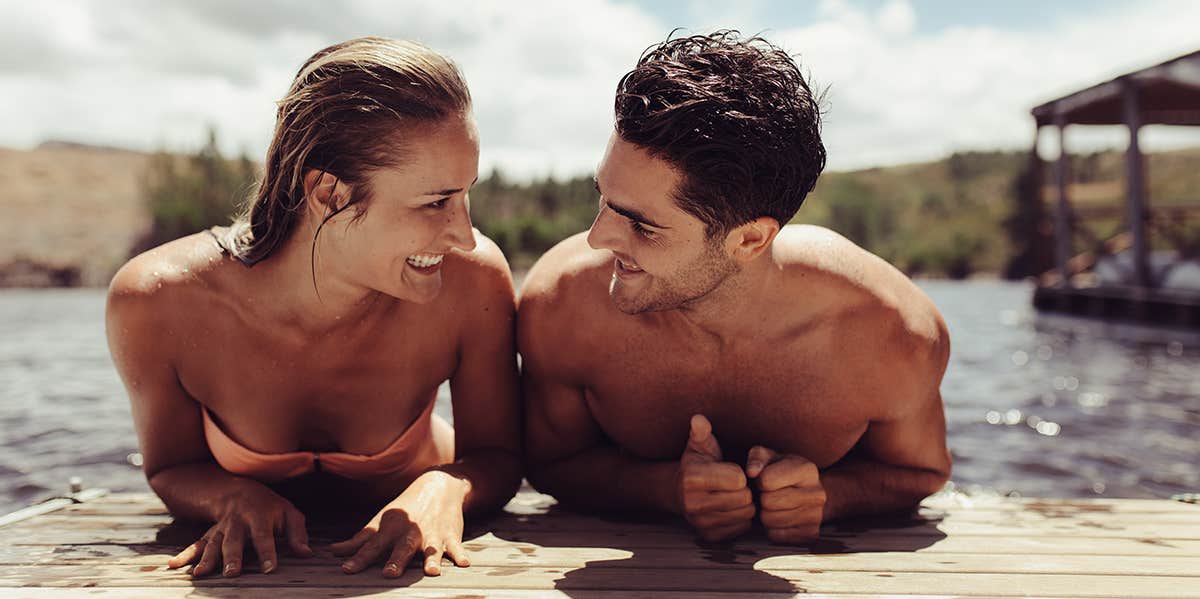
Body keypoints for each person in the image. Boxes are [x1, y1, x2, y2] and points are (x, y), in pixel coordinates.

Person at [106, 37, 521, 578]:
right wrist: (228, 497)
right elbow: (171, 466)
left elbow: (497, 458)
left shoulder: (470, 284)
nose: (465, 236)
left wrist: (444, 486)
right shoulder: (159, 303)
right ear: (328, 192)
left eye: (466, 195)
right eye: (437, 202)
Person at [519, 31, 952, 544]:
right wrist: (666, 490)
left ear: (749, 240)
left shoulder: (888, 331)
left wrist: (830, 497)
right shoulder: (563, 305)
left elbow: (922, 472)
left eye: (641, 224)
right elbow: (550, 465)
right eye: (604, 198)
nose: (595, 238)